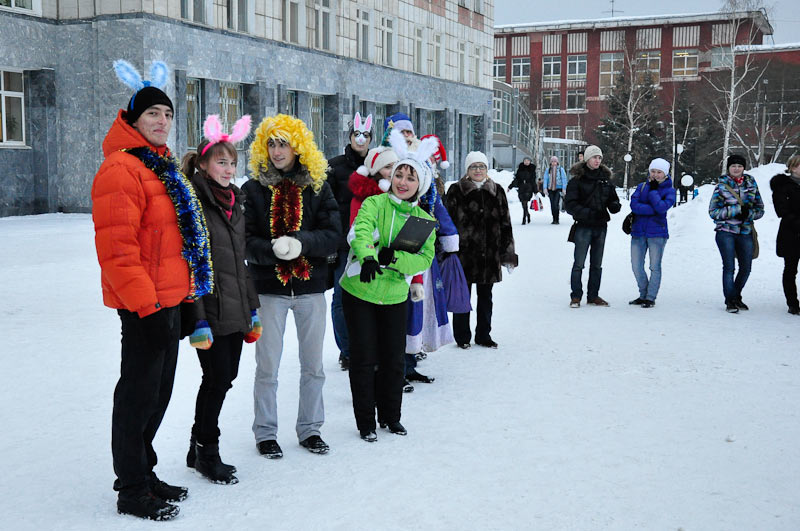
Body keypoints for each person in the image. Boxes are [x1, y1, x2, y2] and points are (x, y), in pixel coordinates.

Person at [92, 60, 213, 520]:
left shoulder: (158, 166)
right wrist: (146, 306)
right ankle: (132, 489)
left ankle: (146, 471)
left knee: (158, 394)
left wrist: (181, 299)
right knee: (137, 396)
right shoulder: (121, 170)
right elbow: (118, 252)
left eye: (167, 114)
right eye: (152, 115)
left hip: (170, 300)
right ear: (133, 121)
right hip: (145, 305)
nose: (162, 121)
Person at [244, 114, 341, 458]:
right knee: (267, 366)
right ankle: (265, 433)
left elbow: (333, 236)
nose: (276, 150)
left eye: (283, 142)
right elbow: (245, 239)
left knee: (313, 366)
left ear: (298, 146)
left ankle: (310, 429)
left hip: (310, 289)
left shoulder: (317, 185)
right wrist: (270, 251)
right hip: (269, 291)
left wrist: (303, 243)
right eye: (271, 143)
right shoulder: (253, 188)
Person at [340, 129, 437, 442]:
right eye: (399, 175)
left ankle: (391, 417)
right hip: (360, 290)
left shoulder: (423, 220)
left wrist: (393, 258)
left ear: (419, 185)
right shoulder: (375, 203)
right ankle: (366, 421)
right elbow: (360, 231)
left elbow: (423, 259)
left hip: (394, 295)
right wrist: (368, 257)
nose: (403, 182)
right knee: (364, 358)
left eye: (410, 178)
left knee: (393, 359)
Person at [179, 114, 260, 485]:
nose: (228, 169)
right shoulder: (193, 201)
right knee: (215, 378)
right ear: (204, 163)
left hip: (235, 305)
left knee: (225, 378)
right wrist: (196, 319)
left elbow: (240, 260)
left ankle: (197, 445)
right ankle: (206, 453)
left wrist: (253, 309)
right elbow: (191, 264)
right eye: (221, 162)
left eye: (232, 163)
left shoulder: (234, 201)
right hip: (208, 309)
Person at [445, 151, 517, 349]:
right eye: (474, 167)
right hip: (463, 255)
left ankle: (484, 335)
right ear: (467, 170)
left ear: (487, 169)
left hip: (489, 254)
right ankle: (462, 337)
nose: (478, 170)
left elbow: (506, 224)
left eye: (482, 166)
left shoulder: (497, 191)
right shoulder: (455, 191)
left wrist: (507, 252)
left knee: (486, 297)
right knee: (462, 297)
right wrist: (446, 251)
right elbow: (446, 223)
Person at [327, 112, 372, 370]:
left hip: (371, 243)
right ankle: (347, 350)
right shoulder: (334, 166)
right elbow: (328, 209)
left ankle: (367, 347)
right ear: (350, 136)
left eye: (365, 135)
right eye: (357, 134)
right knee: (341, 298)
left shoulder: (378, 166)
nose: (361, 139)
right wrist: (332, 244)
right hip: (344, 244)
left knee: (367, 297)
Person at [564, 145, 621, 308]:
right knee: (579, 263)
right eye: (594, 157)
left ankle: (593, 295)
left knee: (597, 264)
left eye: (599, 158)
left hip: (601, 226)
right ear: (587, 159)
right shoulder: (577, 180)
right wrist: (588, 213)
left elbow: (612, 199)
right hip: (583, 226)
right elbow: (570, 205)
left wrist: (615, 205)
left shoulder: (605, 179)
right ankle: (576, 296)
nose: (597, 160)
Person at [709, 154, 765, 313]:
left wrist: (749, 214)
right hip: (726, 231)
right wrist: (736, 210)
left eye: (739, 166)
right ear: (728, 168)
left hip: (745, 231)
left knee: (746, 267)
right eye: (733, 166)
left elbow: (760, 209)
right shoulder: (721, 186)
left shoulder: (751, 183)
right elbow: (713, 212)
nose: (736, 168)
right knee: (729, 267)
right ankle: (730, 301)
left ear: (743, 168)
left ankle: (736, 295)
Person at [628, 158, 676, 308]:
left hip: (657, 233)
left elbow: (662, 208)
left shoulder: (669, 190)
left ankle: (650, 297)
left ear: (665, 174)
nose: (655, 175)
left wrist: (654, 192)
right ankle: (642, 293)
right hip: (638, 231)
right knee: (636, 265)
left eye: (659, 172)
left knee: (654, 266)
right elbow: (634, 205)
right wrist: (653, 209)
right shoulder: (642, 186)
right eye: (653, 171)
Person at [770, 155, 800, 314]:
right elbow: (781, 211)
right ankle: (793, 303)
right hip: (791, 233)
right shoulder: (783, 186)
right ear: (793, 168)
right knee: (790, 269)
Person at [509, 157, 537, 225]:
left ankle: (524, 219)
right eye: (525, 160)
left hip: (528, 188)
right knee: (523, 204)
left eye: (528, 160)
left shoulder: (532, 169)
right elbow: (516, 179)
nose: (526, 162)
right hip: (521, 188)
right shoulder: (520, 169)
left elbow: (533, 181)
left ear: (530, 161)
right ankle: (527, 214)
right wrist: (510, 186)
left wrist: (535, 190)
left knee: (525, 203)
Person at [543, 155, 568, 224]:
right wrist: (545, 188)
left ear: (557, 162)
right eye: (552, 161)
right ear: (550, 162)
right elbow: (545, 179)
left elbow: (564, 179)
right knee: (552, 204)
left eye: (555, 161)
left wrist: (564, 189)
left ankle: (557, 219)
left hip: (558, 188)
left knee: (556, 204)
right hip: (550, 189)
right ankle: (554, 218)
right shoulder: (548, 170)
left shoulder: (561, 169)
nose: (554, 163)